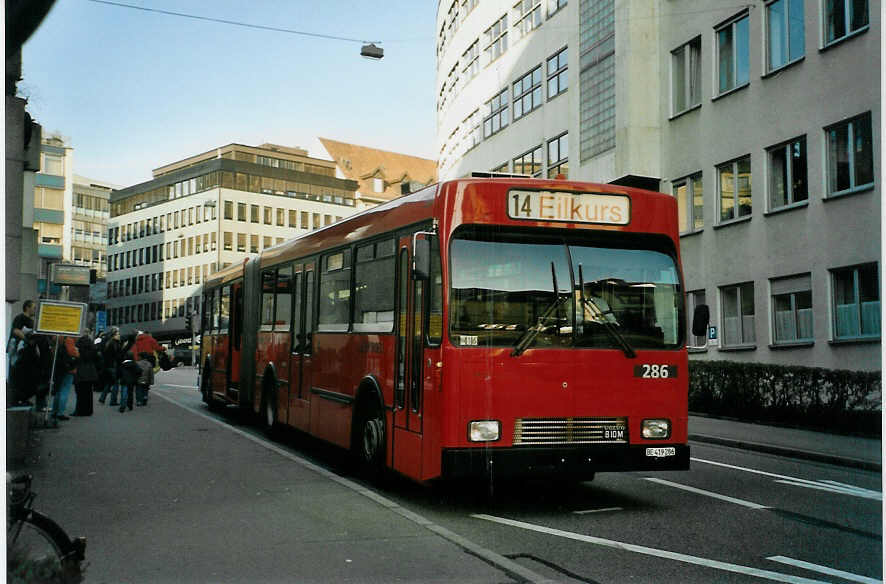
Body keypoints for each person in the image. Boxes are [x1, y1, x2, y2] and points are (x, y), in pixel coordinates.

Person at [50, 335, 79, 421]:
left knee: (58, 390)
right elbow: (74, 354)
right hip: (68, 369)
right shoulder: (68, 339)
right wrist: (77, 352)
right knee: (64, 391)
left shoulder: (55, 338)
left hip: (58, 367)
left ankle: (54, 411)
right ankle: (60, 412)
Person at [72, 332, 99, 416]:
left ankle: (79, 411)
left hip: (81, 371)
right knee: (88, 393)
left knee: (80, 393)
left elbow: (76, 358)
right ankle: (88, 410)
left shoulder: (79, 346)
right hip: (90, 371)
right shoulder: (92, 347)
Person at [7, 300, 36, 374]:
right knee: (15, 369)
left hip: (25, 350)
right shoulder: (20, 317)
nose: (35, 310)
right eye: (34, 308)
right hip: (17, 349)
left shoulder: (31, 321)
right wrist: (27, 340)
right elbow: (16, 330)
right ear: (27, 308)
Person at [98, 328, 122, 406]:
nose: (119, 335)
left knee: (109, 382)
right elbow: (117, 356)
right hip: (113, 366)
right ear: (114, 335)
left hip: (107, 365)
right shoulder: (114, 343)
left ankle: (102, 398)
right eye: (118, 334)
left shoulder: (108, 342)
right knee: (116, 384)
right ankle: (113, 401)